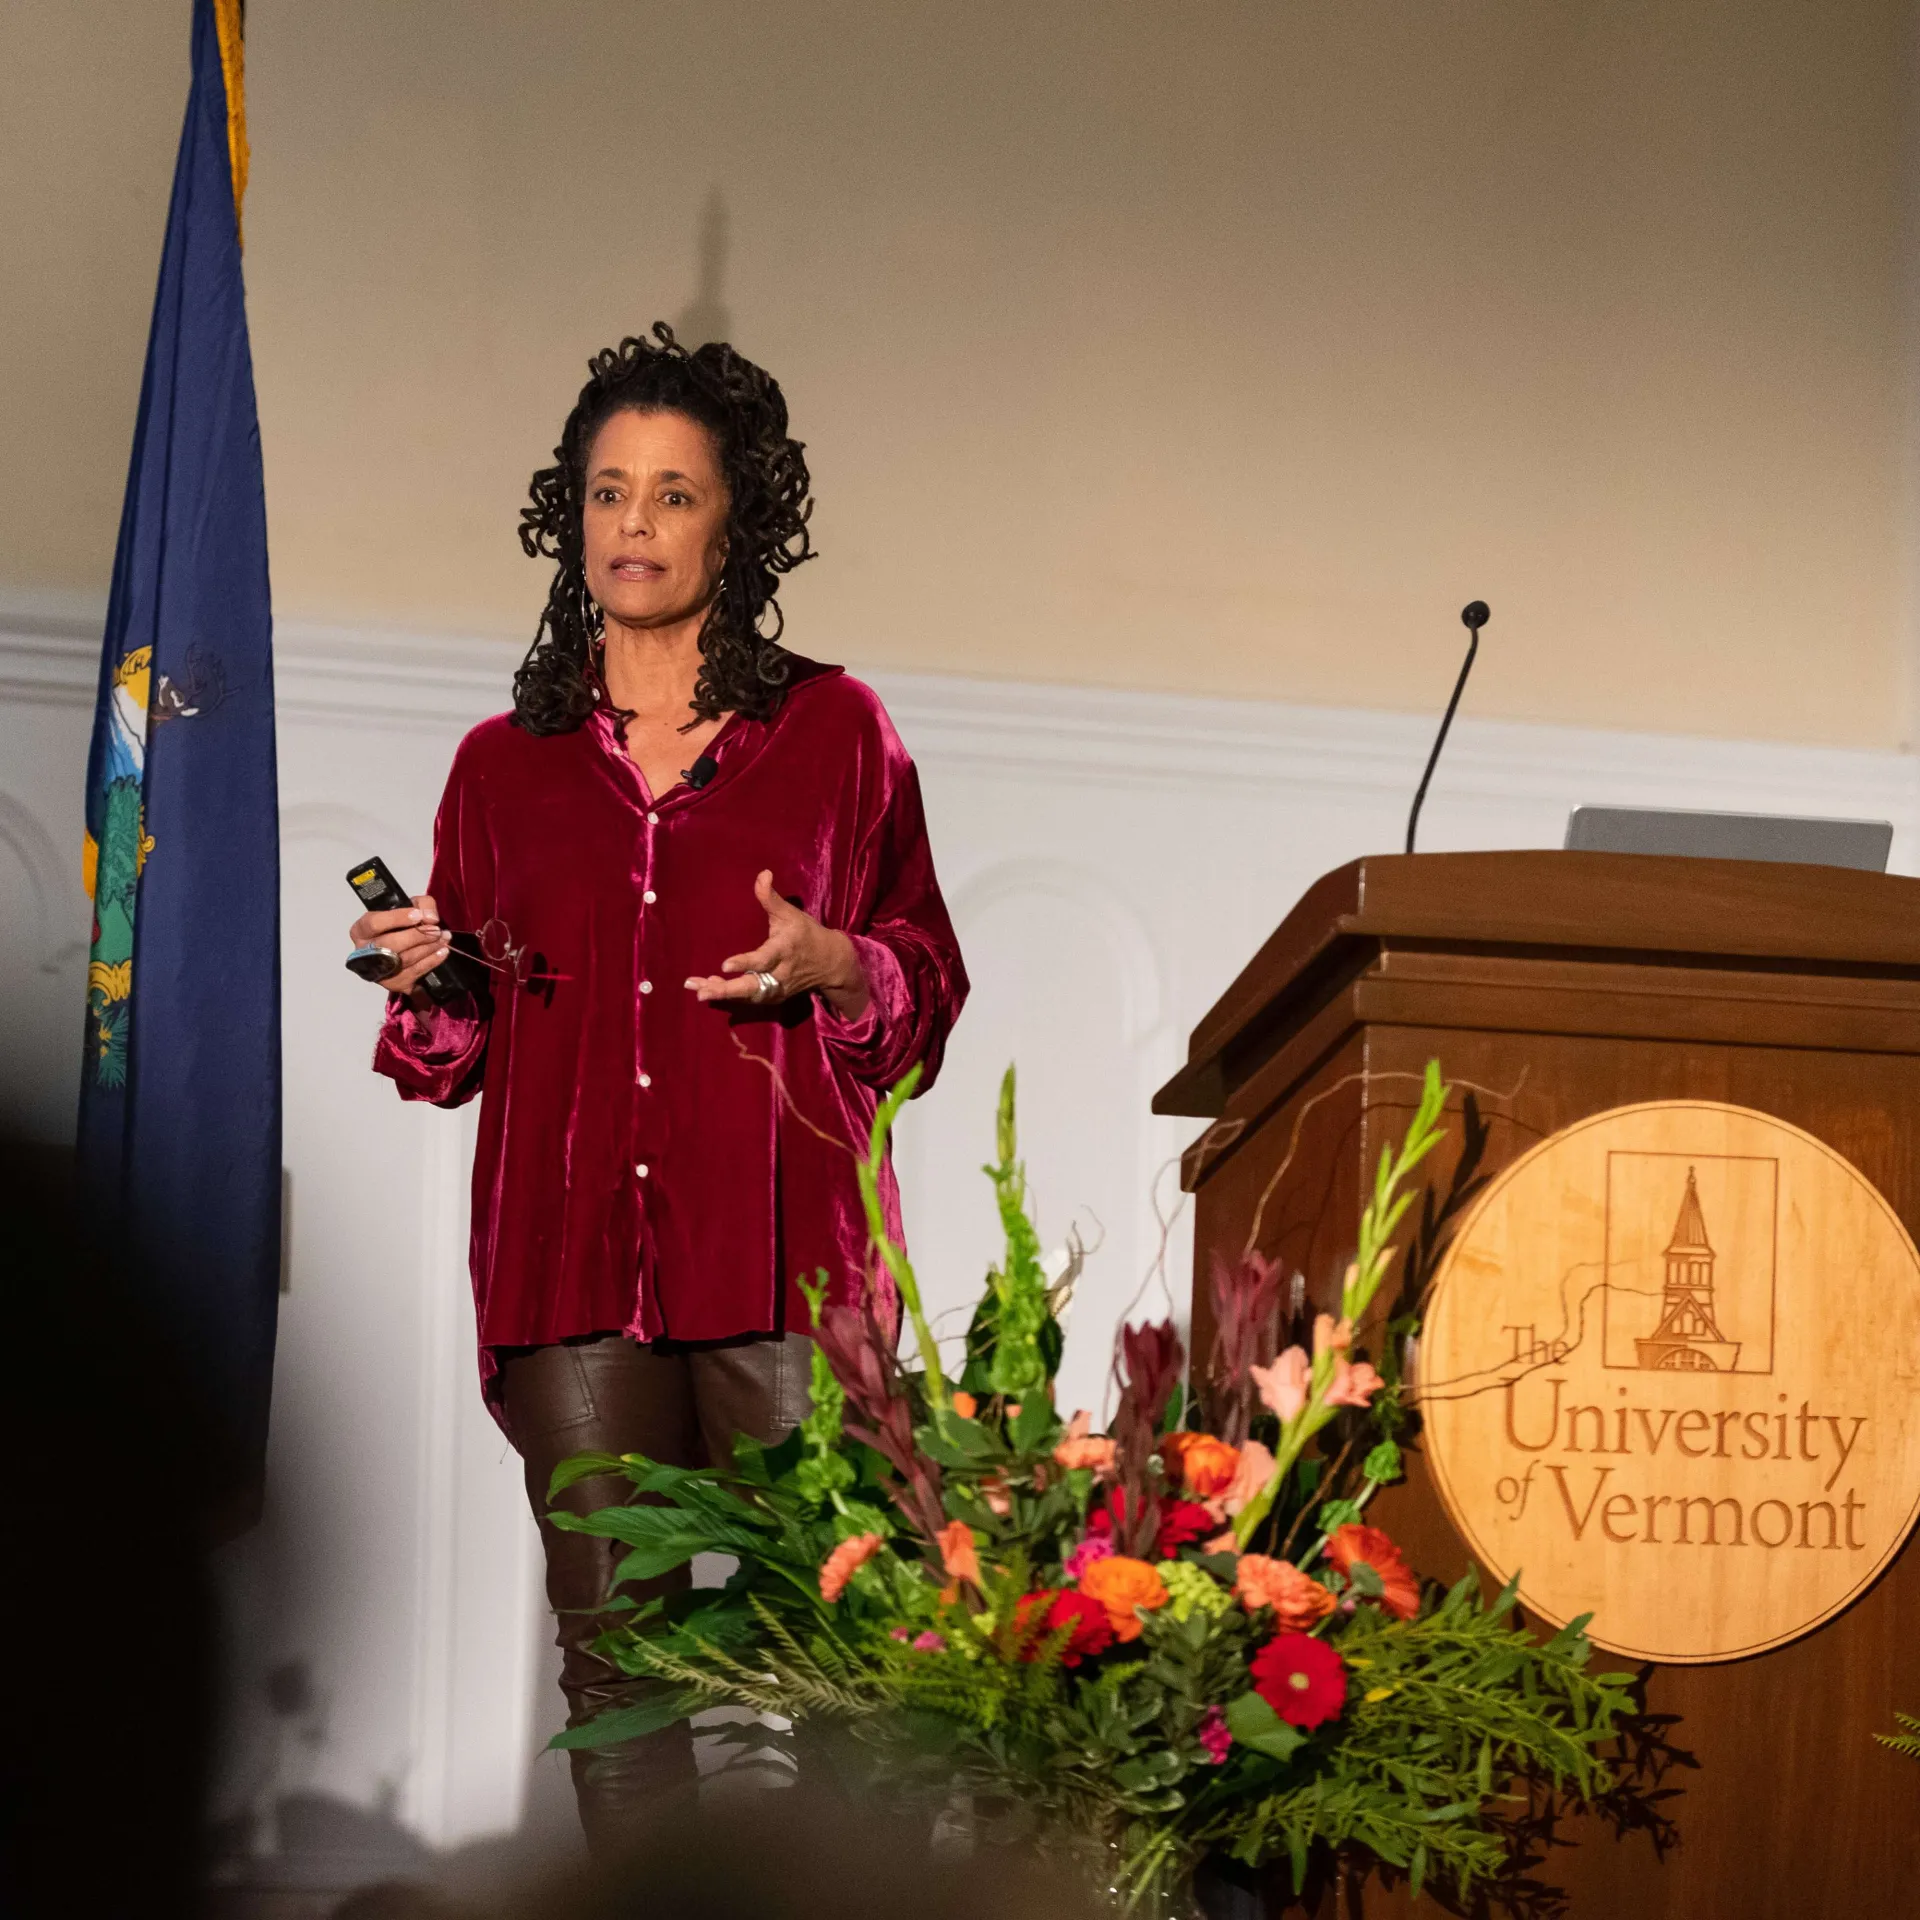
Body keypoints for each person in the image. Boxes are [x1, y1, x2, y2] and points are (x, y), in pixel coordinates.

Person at [350, 325, 967, 1851]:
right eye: (608, 491)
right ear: (573, 518)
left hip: (781, 1268)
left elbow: (926, 986)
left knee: (822, 1671)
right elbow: (453, 1052)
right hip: (566, 1270)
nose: (635, 521)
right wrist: (431, 980)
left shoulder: (837, 735)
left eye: (673, 494)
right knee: (618, 1671)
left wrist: (835, 962)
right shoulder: (504, 765)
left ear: (734, 521)